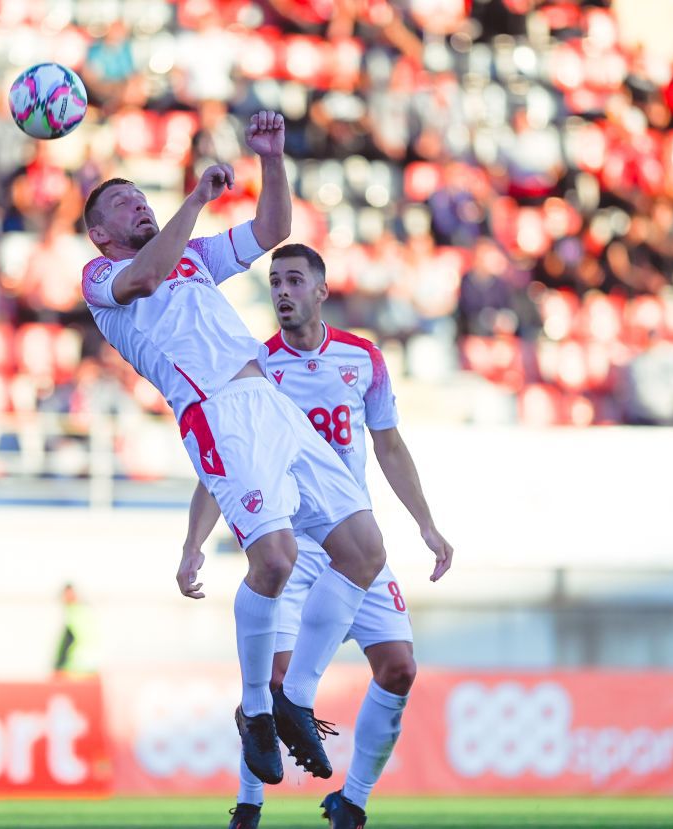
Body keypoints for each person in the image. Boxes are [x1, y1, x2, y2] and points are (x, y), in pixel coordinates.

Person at [81, 111, 439, 785]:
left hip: (270, 402)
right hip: (215, 411)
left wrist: (271, 161)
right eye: (123, 204)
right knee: (275, 559)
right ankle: (254, 709)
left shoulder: (190, 254)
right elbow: (147, 279)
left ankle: (293, 697)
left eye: (140, 198)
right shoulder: (101, 278)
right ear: (101, 233)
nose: (138, 206)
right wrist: (194, 199)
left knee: (364, 550)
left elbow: (272, 233)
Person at [179, 244, 453, 829]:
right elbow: (221, 463)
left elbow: (389, 445)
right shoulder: (254, 369)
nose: (282, 290)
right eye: (274, 280)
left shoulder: (362, 359)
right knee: (275, 684)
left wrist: (425, 523)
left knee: (400, 668)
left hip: (355, 544)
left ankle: (351, 802)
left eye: (294, 280)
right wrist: (193, 542)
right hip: (294, 544)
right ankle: (250, 805)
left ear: (321, 291)